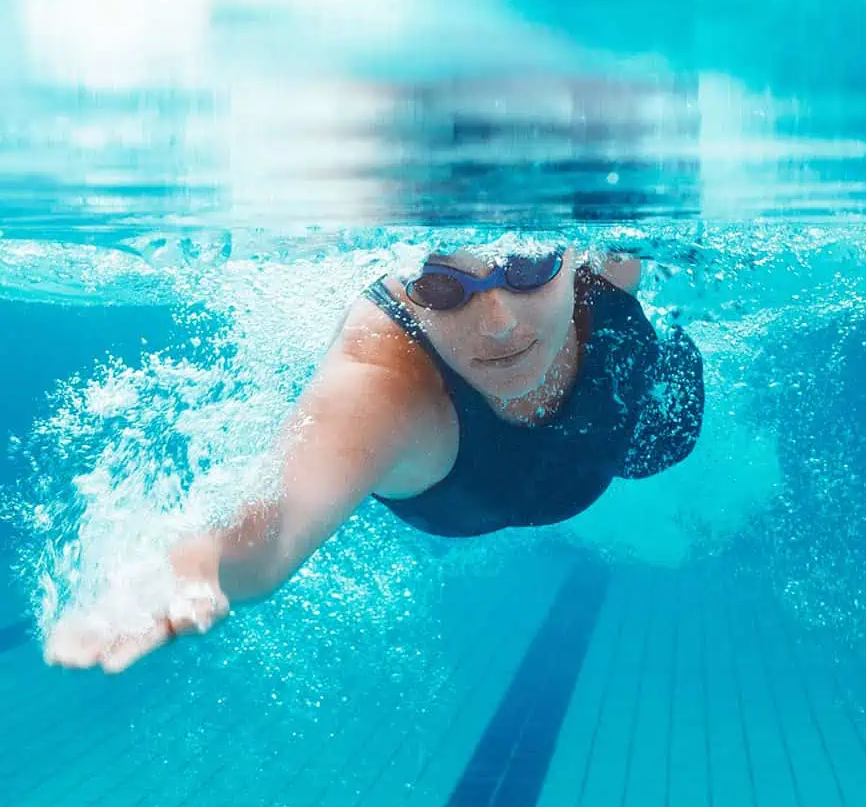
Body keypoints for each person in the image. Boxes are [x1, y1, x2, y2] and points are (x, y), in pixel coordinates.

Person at [44, 244, 703, 675]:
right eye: (442, 288)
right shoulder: (384, 382)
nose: (498, 323)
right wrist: (197, 565)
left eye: (528, 267)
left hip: (626, 428)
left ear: (573, 249)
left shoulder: (606, 265)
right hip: (486, 481)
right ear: (403, 282)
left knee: (667, 437)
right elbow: (270, 529)